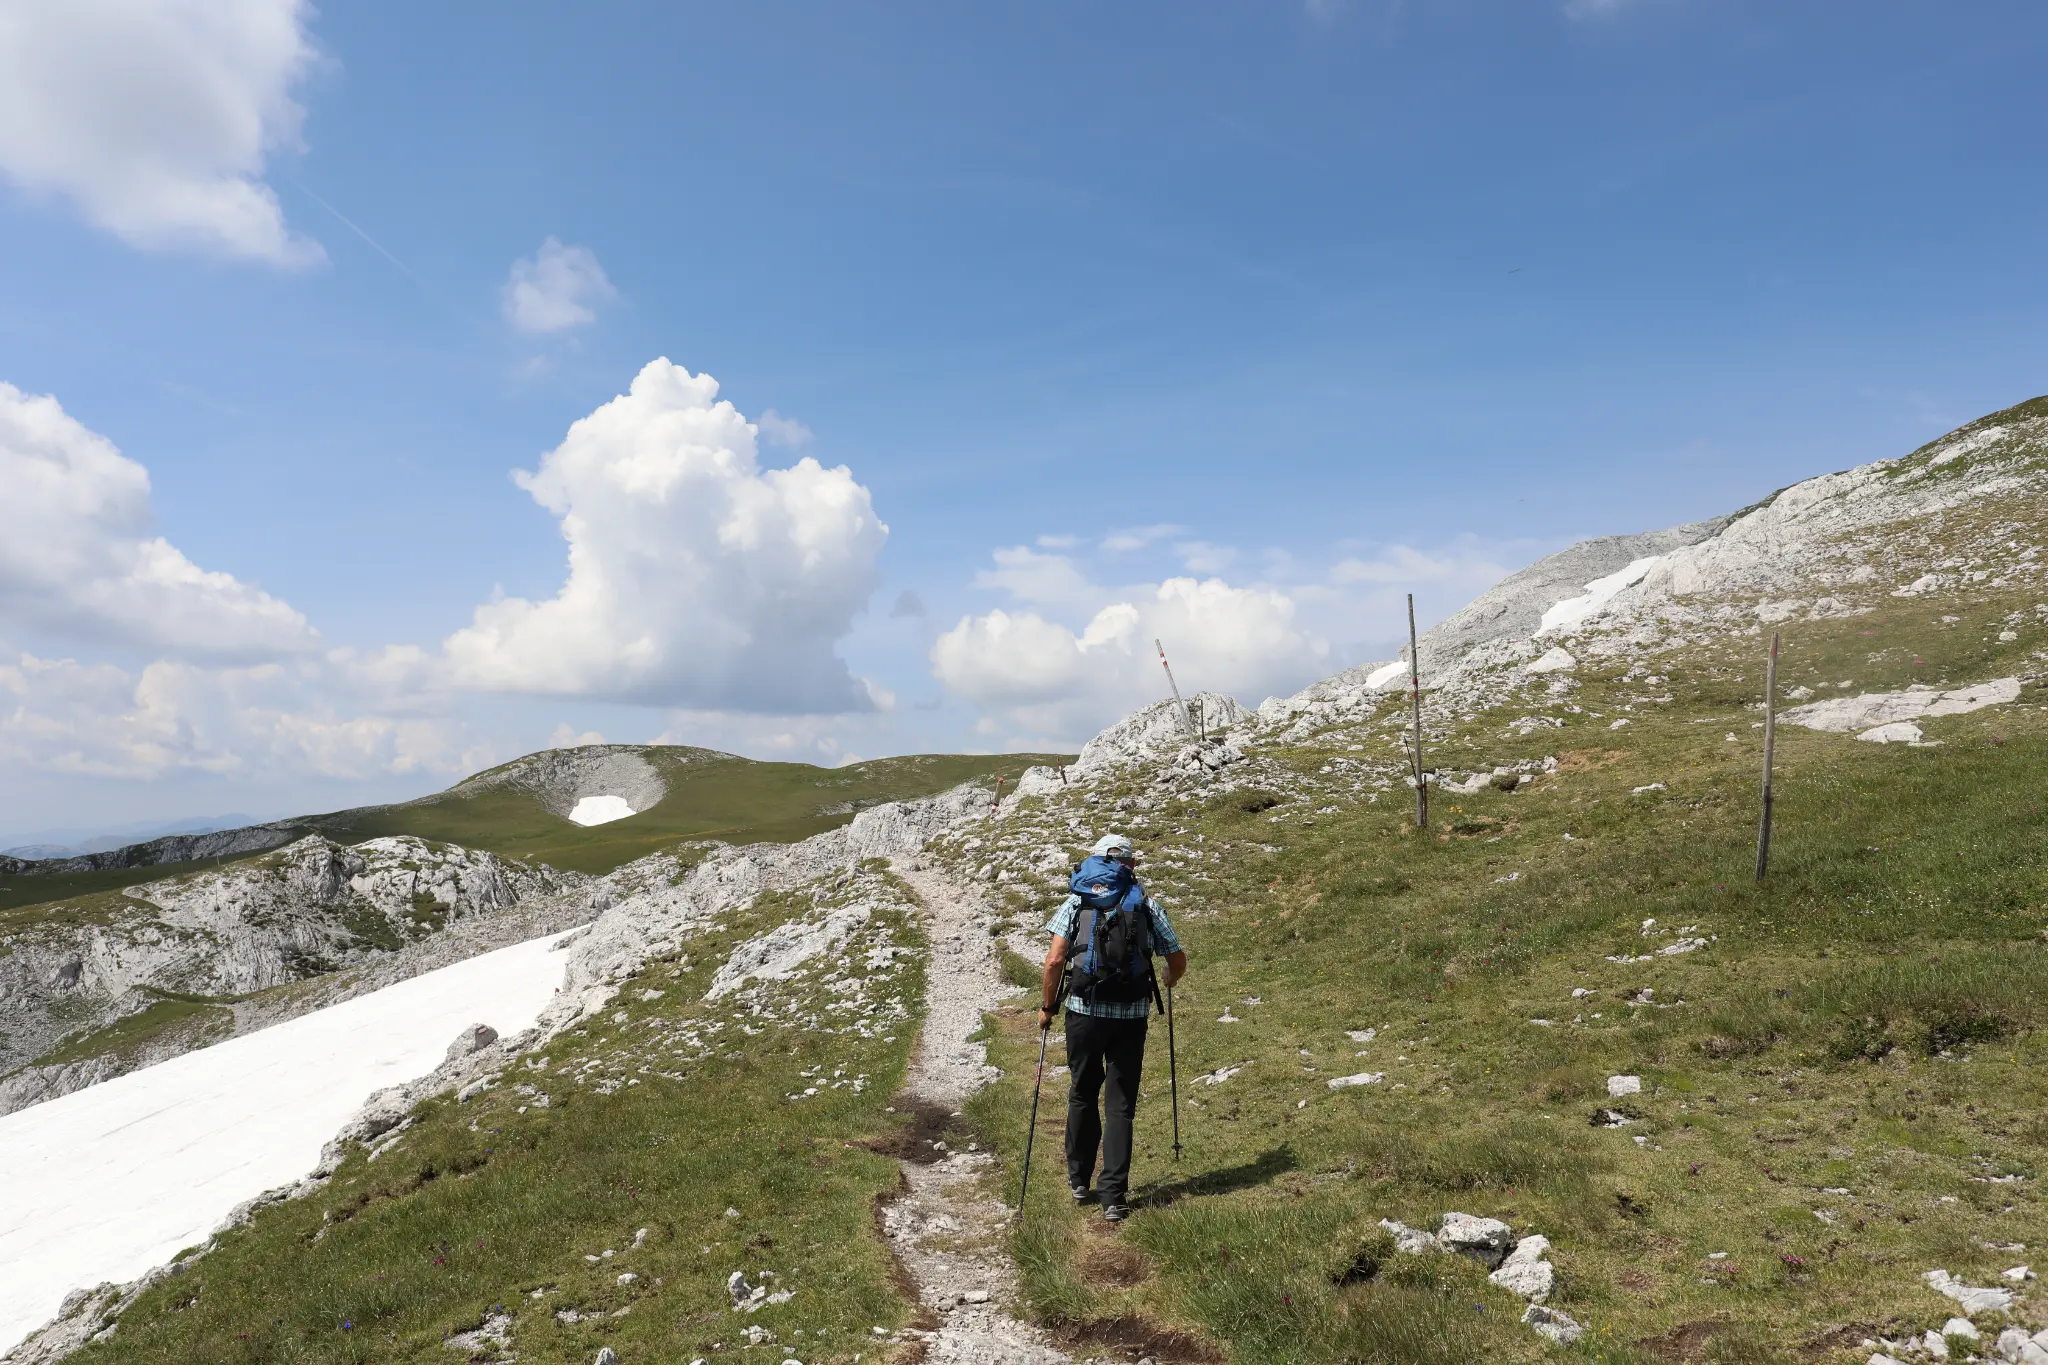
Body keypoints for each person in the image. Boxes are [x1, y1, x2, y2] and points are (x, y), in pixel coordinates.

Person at [1038, 833, 1187, 1222]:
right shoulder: (1146, 904)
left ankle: (1078, 1178)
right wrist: (1169, 980)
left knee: (1082, 1091)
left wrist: (1046, 1008)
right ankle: (1115, 1197)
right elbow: (1176, 957)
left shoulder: (1076, 900)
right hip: (1131, 1015)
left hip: (1083, 1012)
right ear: (1130, 865)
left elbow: (1054, 961)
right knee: (1121, 1105)